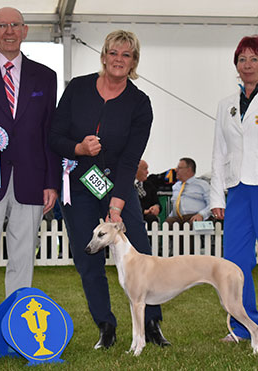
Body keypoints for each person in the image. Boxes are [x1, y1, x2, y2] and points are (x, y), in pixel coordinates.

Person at [49, 30, 170, 349]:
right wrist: (78, 147)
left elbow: (131, 158)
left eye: (126, 55)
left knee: (141, 253)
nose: (119, 59)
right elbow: (54, 136)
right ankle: (106, 326)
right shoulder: (77, 89)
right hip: (78, 187)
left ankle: (152, 323)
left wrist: (116, 205)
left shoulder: (140, 103)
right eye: (113, 53)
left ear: (134, 62)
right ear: (103, 56)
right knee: (88, 258)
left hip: (118, 186)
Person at [0, 7, 60, 342]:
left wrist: (51, 182)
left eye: (15, 25)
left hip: (31, 182)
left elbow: (49, 133)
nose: (9, 31)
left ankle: (17, 334)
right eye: (1, 26)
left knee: (23, 261)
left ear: (25, 31)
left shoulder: (46, 76)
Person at [210, 35, 258, 344]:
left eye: (254, 59)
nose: (247, 65)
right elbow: (218, 152)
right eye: (242, 59)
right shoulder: (225, 105)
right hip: (236, 190)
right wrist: (216, 196)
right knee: (235, 262)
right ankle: (241, 326)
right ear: (235, 65)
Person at [166, 158, 211, 228]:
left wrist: (201, 215)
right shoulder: (176, 186)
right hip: (178, 218)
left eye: (179, 168)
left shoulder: (203, 185)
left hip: (195, 216)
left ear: (188, 170)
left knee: (192, 223)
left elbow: (211, 204)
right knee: (168, 223)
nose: (176, 170)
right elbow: (175, 204)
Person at [135, 159, 161, 228]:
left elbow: (156, 202)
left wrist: (156, 207)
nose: (147, 172)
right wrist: (144, 211)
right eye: (145, 169)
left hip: (148, 217)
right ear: (136, 170)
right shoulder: (128, 185)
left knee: (152, 219)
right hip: (134, 215)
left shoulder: (149, 185)